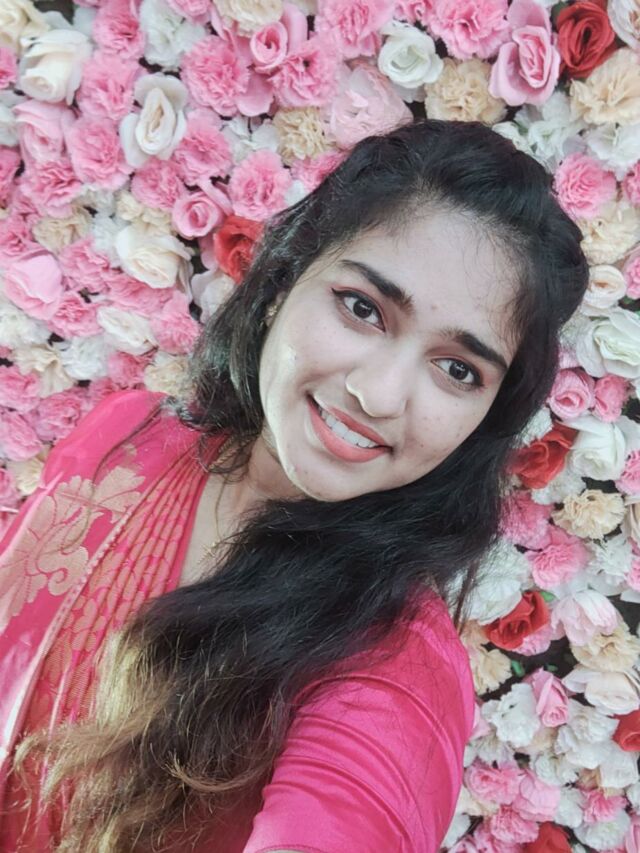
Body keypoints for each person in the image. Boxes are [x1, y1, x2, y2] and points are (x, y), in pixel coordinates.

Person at [0, 118, 588, 853]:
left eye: (457, 369)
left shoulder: (395, 665)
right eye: (363, 308)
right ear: (283, 281)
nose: (378, 394)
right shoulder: (124, 438)